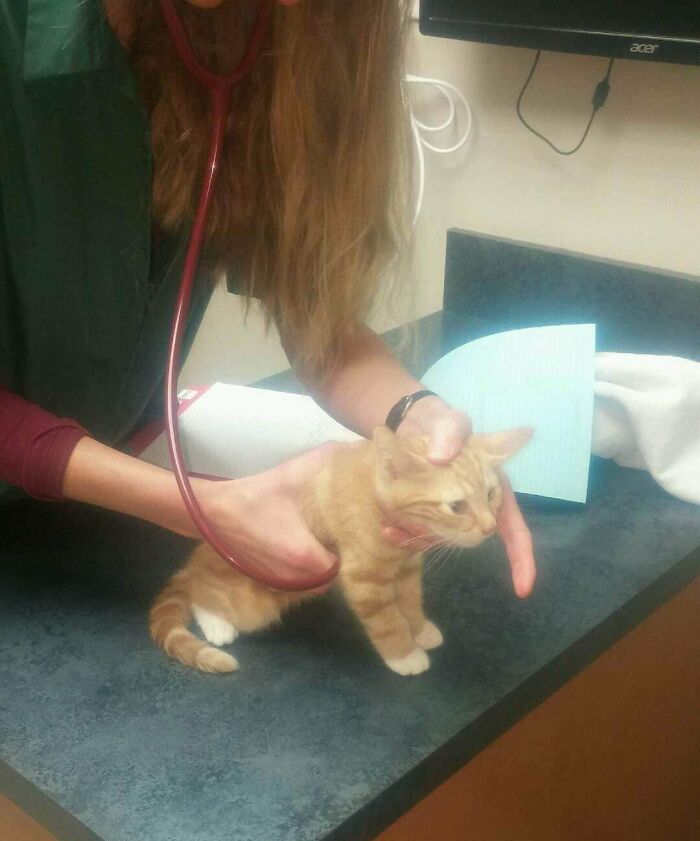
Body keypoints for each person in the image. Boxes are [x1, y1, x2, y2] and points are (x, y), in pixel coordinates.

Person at [0, 0, 535, 596]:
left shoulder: (264, 36)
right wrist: (206, 507)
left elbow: (313, 321)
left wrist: (418, 417)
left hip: (93, 525)